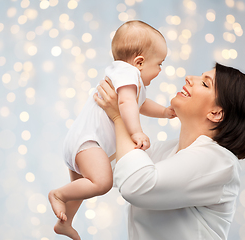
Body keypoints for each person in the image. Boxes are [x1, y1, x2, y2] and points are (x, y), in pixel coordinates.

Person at [94, 63, 245, 240]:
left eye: (205, 83)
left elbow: (135, 185)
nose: (190, 78)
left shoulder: (221, 160)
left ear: (216, 113)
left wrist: (119, 115)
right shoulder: (169, 150)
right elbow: (105, 168)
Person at [48, 20, 175, 240]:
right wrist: (136, 132)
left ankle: (64, 223)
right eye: (159, 64)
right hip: (88, 143)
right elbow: (126, 105)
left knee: (80, 188)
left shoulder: (125, 77)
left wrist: (164, 112)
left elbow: (140, 104)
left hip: (79, 140)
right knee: (102, 182)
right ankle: (57, 194)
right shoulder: (128, 74)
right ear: (140, 62)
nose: (160, 70)